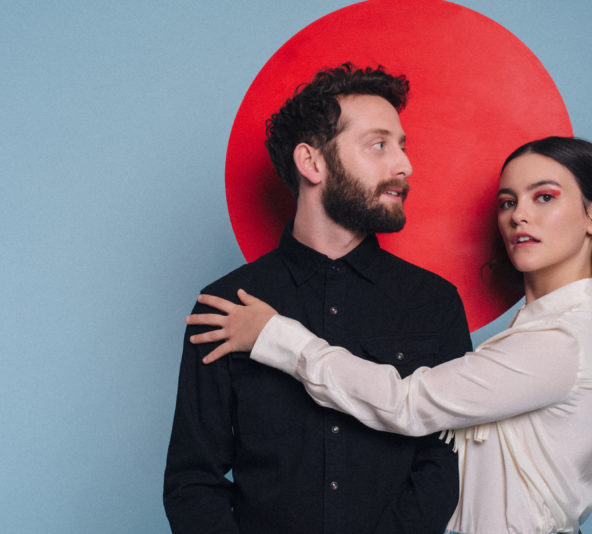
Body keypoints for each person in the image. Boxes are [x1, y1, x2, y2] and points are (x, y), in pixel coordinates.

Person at [187, 136, 592, 533]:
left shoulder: (563, 342)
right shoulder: (538, 331)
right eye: (508, 201)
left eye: (544, 197)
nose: (518, 215)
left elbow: (408, 405)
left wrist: (278, 337)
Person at [163, 63, 472, 533]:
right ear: (312, 163)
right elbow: (193, 479)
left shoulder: (434, 302)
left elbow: (443, 462)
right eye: (378, 145)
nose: (404, 165)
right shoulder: (224, 304)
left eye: (402, 146)